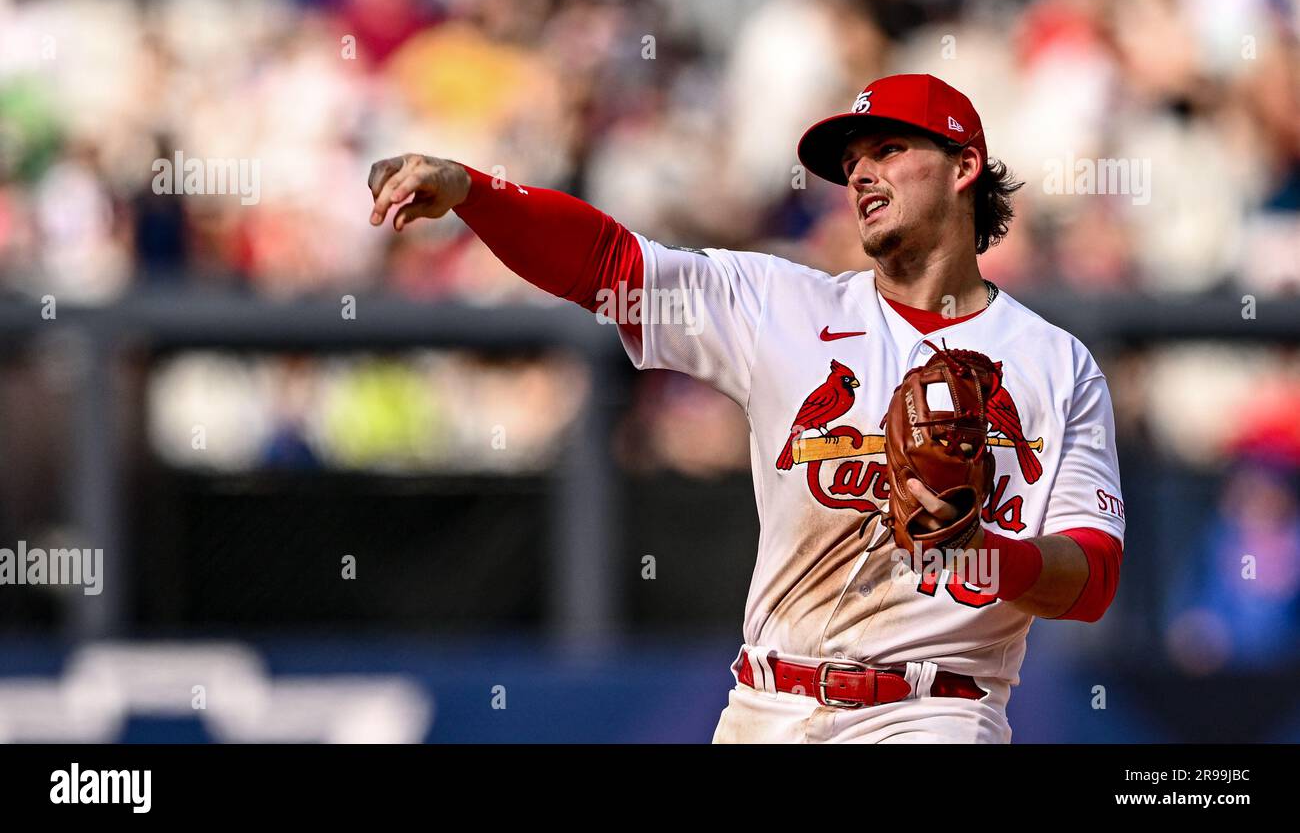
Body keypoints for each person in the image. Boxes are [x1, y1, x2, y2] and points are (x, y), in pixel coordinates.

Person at [366, 73, 1125, 743]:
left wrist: (982, 551)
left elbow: (1091, 580)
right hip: (766, 705)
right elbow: (609, 266)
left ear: (964, 167)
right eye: (850, 164)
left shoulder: (1055, 365)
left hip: (933, 711)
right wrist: (473, 191)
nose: (861, 174)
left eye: (888, 149)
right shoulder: (782, 305)